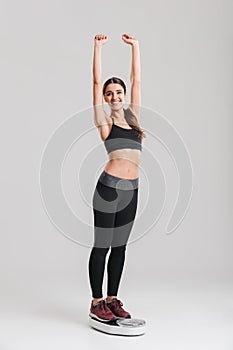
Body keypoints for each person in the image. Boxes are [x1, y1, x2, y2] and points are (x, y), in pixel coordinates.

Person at [88, 33, 146, 322]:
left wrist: (136, 47)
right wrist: (97, 49)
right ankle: (97, 302)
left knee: (120, 247)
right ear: (105, 98)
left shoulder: (134, 116)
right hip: (109, 189)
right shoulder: (104, 121)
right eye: (109, 94)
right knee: (102, 246)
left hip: (132, 190)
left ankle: (112, 299)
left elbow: (136, 81)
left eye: (118, 93)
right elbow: (96, 83)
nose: (114, 97)